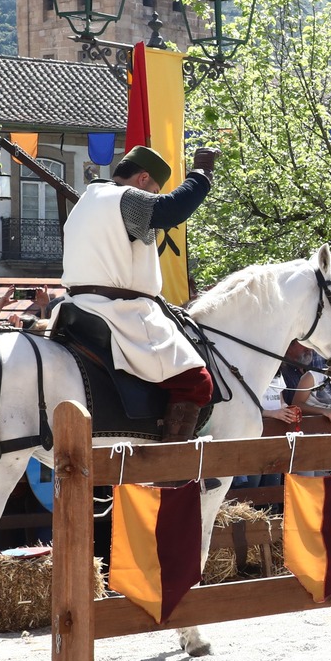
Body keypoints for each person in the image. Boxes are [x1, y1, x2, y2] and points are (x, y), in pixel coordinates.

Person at [58, 144, 219, 443]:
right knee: (196, 383)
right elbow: (172, 210)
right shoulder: (123, 199)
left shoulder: (87, 203)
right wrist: (202, 173)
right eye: (155, 189)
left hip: (75, 307)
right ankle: (171, 464)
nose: (154, 196)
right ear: (143, 179)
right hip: (118, 311)